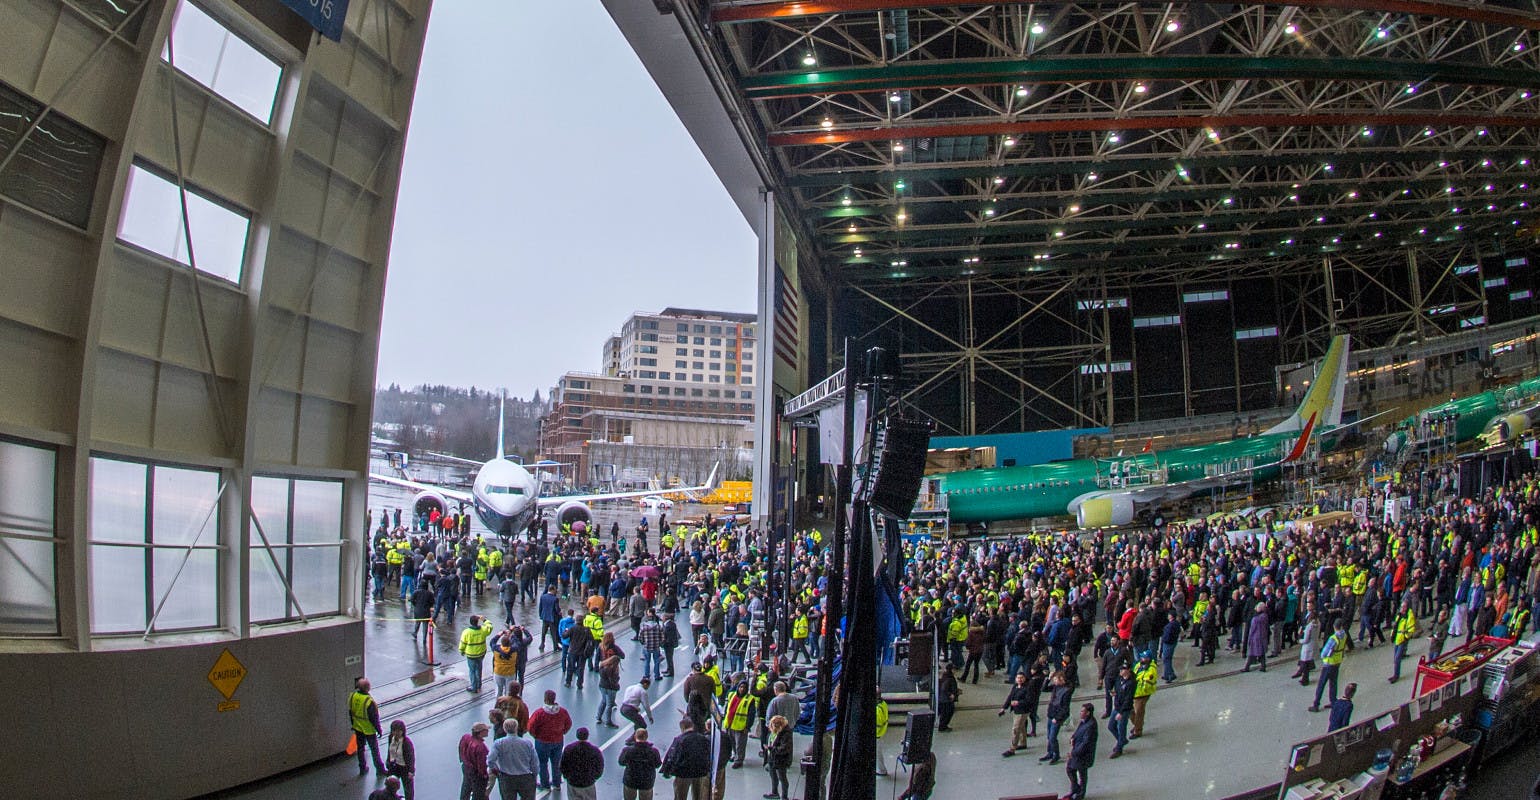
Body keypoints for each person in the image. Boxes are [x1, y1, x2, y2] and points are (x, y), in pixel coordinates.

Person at [527, 690, 572, 791]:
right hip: (558, 741)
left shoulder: (539, 713)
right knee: (556, 762)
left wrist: (535, 735)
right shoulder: (562, 712)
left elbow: (530, 726)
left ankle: (545, 784)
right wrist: (562, 732)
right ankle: (556, 783)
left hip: (542, 742)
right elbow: (568, 723)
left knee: (542, 763)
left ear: (545, 699)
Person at [662, 718, 712, 800]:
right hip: (700, 772)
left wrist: (667, 771)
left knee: (680, 795)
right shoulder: (703, 738)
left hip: (683, 773)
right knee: (698, 796)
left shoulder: (680, 740)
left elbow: (673, 757)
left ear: (682, 727)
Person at [486, 719, 538, 800]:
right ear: (516, 728)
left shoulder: (498, 743)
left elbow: (490, 760)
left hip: (507, 778)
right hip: (525, 777)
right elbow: (534, 762)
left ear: (504, 729)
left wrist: (496, 769)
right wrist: (534, 774)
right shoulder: (527, 743)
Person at [349, 677, 386, 775]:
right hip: (368, 729)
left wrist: (353, 723)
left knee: (360, 749)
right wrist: (379, 730)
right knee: (374, 750)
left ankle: (362, 767)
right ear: (367, 688)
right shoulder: (368, 701)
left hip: (357, 727)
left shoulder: (353, 696)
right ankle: (380, 769)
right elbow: (374, 718)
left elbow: (350, 711)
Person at [1311, 620, 1348, 712]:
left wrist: (1323, 656)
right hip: (1337, 662)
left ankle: (1316, 704)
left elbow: (1324, 653)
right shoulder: (1344, 636)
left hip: (1329, 663)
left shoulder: (1333, 638)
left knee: (1321, 684)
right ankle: (1333, 701)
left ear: (1334, 627)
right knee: (1333, 683)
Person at [560, 727, 605, 800]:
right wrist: (594, 777)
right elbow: (600, 766)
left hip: (573, 782)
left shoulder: (568, 749)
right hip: (588, 782)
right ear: (587, 735)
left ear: (577, 735)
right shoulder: (594, 750)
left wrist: (567, 776)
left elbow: (563, 765)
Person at [619, 727, 663, 800]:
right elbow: (658, 764)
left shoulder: (627, 750)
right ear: (646, 737)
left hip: (630, 780)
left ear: (635, 736)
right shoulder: (653, 751)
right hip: (647, 781)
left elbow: (621, 762)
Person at [722, 682, 759, 768]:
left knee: (740, 745)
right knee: (732, 743)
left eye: (744, 687)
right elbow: (727, 707)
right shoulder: (732, 695)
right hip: (730, 724)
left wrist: (747, 726)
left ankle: (739, 760)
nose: (742, 689)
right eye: (740, 687)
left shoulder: (750, 699)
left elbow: (751, 714)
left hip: (741, 726)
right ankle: (735, 755)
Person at [1066, 703, 1098, 800]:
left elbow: (1086, 743)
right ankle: (1076, 788)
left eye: (1082, 711)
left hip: (1084, 754)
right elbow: (1077, 732)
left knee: (1082, 773)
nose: (1080, 713)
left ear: (1088, 713)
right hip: (1078, 751)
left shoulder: (1091, 725)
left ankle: (1080, 793)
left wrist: (1074, 753)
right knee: (1070, 768)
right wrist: (1073, 738)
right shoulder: (1084, 722)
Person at [998, 671, 1034, 757]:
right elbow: (1010, 697)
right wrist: (1004, 708)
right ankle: (1023, 743)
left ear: (1025, 679)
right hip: (1016, 710)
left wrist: (1018, 702)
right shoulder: (1015, 686)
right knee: (1021, 727)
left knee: (1016, 729)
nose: (1020, 679)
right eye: (1018, 678)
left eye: (1021, 678)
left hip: (1023, 711)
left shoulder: (1028, 688)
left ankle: (1012, 749)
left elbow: (1029, 700)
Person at [1039, 672, 1071, 765]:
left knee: (1053, 737)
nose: (1054, 681)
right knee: (1049, 736)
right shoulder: (1056, 687)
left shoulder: (1066, 690)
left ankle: (1056, 755)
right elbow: (1044, 689)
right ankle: (1050, 752)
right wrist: (1048, 679)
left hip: (1057, 716)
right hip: (1051, 713)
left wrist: (1057, 718)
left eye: (1055, 679)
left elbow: (1065, 707)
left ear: (1061, 679)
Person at [460, 615, 494, 693]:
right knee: (479, 669)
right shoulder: (483, 630)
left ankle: (474, 687)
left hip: (471, 654)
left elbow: (462, 644)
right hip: (481, 653)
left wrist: (461, 651)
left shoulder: (466, 632)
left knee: (472, 670)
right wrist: (484, 619)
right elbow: (490, 626)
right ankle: (479, 684)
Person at [764, 714, 794, 800]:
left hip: (781, 760)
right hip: (772, 758)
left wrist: (771, 749)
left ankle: (784, 796)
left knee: (782, 778)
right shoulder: (775, 732)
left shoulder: (786, 734)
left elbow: (784, 749)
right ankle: (774, 792)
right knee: (773, 775)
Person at [459, 722, 491, 800]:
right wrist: (484, 775)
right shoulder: (481, 747)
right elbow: (481, 764)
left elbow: (460, 749)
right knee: (479, 794)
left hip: (466, 768)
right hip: (476, 773)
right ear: (481, 732)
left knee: (466, 789)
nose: (488, 731)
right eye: (486, 730)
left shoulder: (466, 737)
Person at [384, 720, 416, 800]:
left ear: (403, 731)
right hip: (394, 766)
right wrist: (388, 761)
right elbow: (390, 750)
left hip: (404, 768)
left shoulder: (406, 743)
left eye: (399, 731)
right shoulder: (391, 738)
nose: (396, 733)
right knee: (390, 785)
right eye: (394, 730)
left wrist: (411, 771)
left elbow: (411, 758)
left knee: (408, 788)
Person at [1109, 664, 1134, 757]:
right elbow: (1119, 691)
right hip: (1117, 707)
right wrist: (1115, 693)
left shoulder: (1131, 683)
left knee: (1121, 728)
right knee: (1111, 726)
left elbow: (1128, 699)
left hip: (1123, 710)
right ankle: (1122, 740)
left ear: (1128, 670)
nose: (1120, 671)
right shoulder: (1119, 680)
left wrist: (1121, 712)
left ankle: (1119, 748)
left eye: (1123, 669)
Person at [1389, 602, 1418, 683]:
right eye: (1401, 606)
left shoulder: (1408, 616)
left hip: (1402, 639)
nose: (1402, 608)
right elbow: (1395, 626)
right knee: (1395, 658)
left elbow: (1411, 628)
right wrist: (1392, 635)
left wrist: (1406, 637)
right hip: (1397, 639)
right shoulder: (1399, 615)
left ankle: (1396, 675)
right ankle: (1395, 674)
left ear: (1406, 607)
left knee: (1397, 658)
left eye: (1403, 607)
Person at [1131, 654, 1158, 738]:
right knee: (1131, 711)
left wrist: (1142, 689)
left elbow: (1148, 682)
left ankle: (1137, 730)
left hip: (1142, 694)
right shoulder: (1138, 665)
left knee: (1139, 712)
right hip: (1134, 692)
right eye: (1142, 657)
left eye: (1144, 657)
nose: (1142, 659)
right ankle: (1137, 724)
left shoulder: (1151, 669)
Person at [598, 651, 624, 727]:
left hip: (602, 686)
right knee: (609, 705)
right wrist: (617, 686)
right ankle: (608, 721)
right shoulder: (612, 669)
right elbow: (613, 681)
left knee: (603, 701)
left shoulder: (603, 666)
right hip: (611, 688)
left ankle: (599, 717)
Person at [1243, 602, 1270, 672]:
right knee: (1261, 653)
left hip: (1255, 638)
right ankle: (1263, 666)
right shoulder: (1265, 616)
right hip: (1262, 637)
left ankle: (1246, 667)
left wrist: (1249, 638)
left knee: (1251, 653)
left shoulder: (1255, 619)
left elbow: (1252, 630)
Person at [491, 633, 519, 700]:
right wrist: (512, 634)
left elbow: (492, 642)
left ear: (501, 643)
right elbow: (517, 642)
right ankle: (507, 705)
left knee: (498, 690)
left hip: (498, 672)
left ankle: (498, 705)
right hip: (510, 673)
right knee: (509, 691)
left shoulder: (496, 649)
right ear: (510, 643)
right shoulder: (514, 650)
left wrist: (499, 634)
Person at [936, 663, 960, 731]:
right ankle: (943, 727)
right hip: (946, 699)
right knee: (947, 713)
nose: (955, 671)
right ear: (951, 670)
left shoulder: (946, 676)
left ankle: (943, 726)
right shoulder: (949, 678)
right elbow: (944, 688)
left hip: (944, 698)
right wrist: (950, 694)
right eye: (954, 669)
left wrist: (956, 691)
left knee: (946, 713)